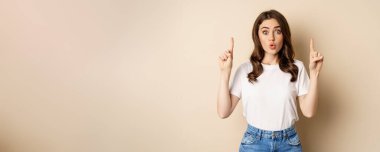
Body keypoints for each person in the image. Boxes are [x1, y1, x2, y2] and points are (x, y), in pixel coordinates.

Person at [217, 9, 324, 152]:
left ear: (284, 35)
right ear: (257, 36)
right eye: (265, 32)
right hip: (254, 143)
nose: (271, 38)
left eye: (278, 31)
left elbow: (309, 112)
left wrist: (314, 74)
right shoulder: (245, 69)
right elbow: (223, 112)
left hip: (289, 143)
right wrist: (225, 73)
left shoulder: (296, 67)